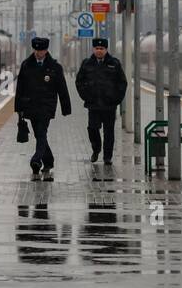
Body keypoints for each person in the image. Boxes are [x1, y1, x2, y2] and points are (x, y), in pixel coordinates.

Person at [14, 36, 72, 180]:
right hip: (30, 106)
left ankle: (36, 160)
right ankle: (49, 161)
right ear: (34, 49)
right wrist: (18, 108)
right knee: (39, 134)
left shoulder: (55, 67)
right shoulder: (26, 65)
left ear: (46, 50)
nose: (39, 53)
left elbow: (62, 88)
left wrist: (66, 108)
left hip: (47, 106)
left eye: (42, 50)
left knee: (41, 132)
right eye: (37, 50)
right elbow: (20, 88)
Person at [74, 36, 128, 165]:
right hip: (93, 105)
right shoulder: (87, 64)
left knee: (109, 133)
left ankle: (107, 157)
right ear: (93, 49)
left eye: (102, 48)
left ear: (106, 49)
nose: (99, 51)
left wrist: (116, 99)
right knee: (92, 129)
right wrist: (86, 96)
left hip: (109, 106)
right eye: (97, 48)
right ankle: (96, 149)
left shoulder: (114, 63)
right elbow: (79, 82)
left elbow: (122, 83)